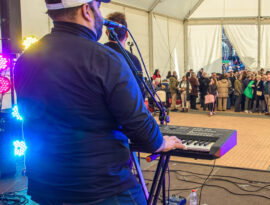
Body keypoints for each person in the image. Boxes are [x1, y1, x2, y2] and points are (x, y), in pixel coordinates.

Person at [14, 0, 185, 204]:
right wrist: (161, 142)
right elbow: (140, 126)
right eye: (98, 7)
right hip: (102, 189)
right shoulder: (105, 59)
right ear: (87, 10)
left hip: (45, 186)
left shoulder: (26, 59)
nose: (100, 16)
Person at [103, 12, 144, 98]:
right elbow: (140, 93)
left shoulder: (94, 54)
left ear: (107, 33)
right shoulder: (133, 60)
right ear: (127, 34)